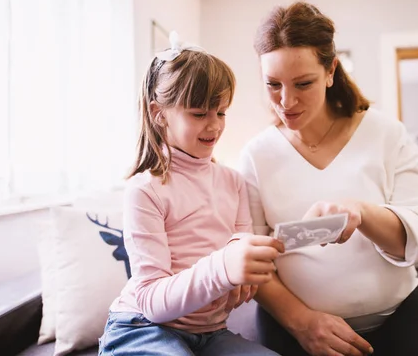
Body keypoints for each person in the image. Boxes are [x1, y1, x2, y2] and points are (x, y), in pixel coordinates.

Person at [238, 2, 418, 356]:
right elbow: (253, 263)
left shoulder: (386, 133)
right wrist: (303, 322)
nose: (286, 101)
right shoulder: (256, 156)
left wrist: (362, 212)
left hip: (399, 311)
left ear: (331, 70)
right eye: (273, 85)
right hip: (295, 322)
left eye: (303, 83)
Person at [98, 32, 284, 356]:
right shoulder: (146, 190)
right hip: (142, 328)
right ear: (159, 114)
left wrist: (248, 272)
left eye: (221, 112)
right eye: (199, 114)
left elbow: (239, 254)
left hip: (210, 333)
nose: (214, 126)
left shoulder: (233, 182)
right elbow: (152, 302)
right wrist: (224, 268)